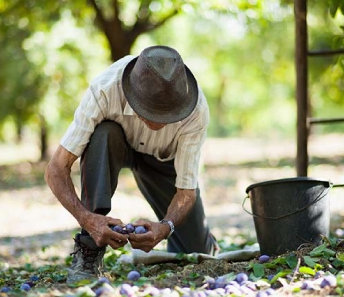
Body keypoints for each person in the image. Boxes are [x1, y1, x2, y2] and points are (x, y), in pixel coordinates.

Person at [44, 45, 217, 284]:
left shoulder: (195, 109)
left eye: (167, 113)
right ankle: (89, 250)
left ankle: (205, 239)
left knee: (197, 253)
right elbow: (56, 169)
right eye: (152, 111)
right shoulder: (105, 90)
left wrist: (164, 227)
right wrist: (87, 219)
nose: (159, 120)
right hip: (115, 145)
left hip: (164, 162)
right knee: (103, 133)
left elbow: (186, 192)